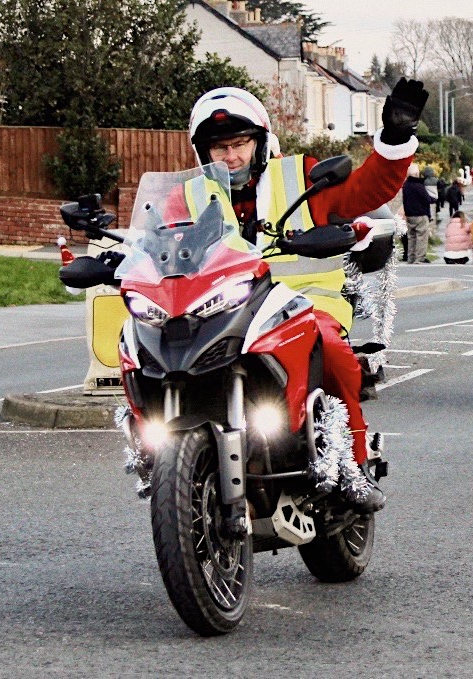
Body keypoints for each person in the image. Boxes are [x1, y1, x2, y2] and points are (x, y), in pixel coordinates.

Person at [186, 80, 428, 513]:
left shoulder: (300, 177)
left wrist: (393, 138)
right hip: (219, 312)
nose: (231, 156)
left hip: (302, 303)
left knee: (332, 351)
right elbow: (159, 246)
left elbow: (365, 192)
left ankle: (353, 464)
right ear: (203, 152)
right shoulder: (188, 196)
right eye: (220, 148)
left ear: (260, 142)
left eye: (240, 143)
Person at [403, 164, 433, 263]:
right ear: (416, 174)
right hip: (421, 214)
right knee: (421, 236)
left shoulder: (406, 186)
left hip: (409, 215)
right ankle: (419, 258)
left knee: (411, 237)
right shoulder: (419, 186)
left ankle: (410, 258)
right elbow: (427, 199)